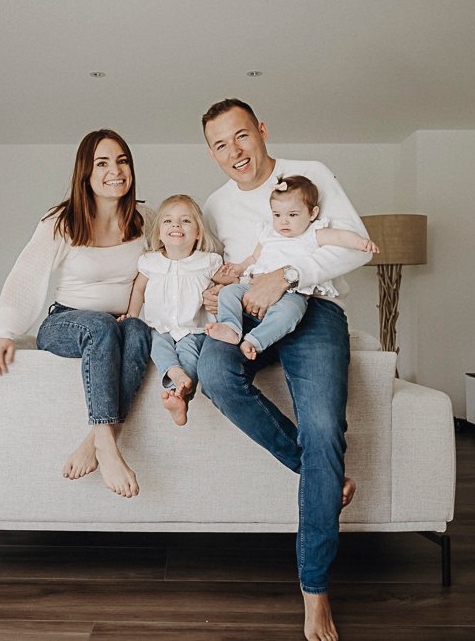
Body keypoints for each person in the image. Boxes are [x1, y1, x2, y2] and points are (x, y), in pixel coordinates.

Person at [196, 99, 372, 641]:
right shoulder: (216, 204)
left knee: (323, 428)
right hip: (251, 312)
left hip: (314, 309)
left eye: (241, 135)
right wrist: (214, 292)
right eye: (220, 144)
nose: (234, 151)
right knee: (215, 374)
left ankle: (315, 591)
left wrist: (289, 274)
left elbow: (355, 247)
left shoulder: (309, 174)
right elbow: (222, 269)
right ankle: (321, 474)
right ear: (212, 153)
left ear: (262, 131)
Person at [0, 129, 151, 499]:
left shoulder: (145, 219)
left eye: (122, 161)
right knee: (102, 326)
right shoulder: (62, 220)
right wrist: (4, 331)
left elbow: (170, 264)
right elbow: (27, 273)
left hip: (122, 323)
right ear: (85, 173)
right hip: (67, 322)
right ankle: (108, 445)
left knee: (139, 332)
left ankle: (94, 441)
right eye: (102, 163)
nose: (115, 170)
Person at [206, 174, 379, 361]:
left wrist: (360, 242)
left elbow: (339, 237)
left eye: (292, 215)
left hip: (290, 294)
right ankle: (231, 327)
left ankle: (255, 341)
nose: (284, 221)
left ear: (312, 213)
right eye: (277, 215)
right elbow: (254, 258)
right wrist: (239, 268)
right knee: (228, 293)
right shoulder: (269, 234)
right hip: (254, 288)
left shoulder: (312, 234)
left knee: (290, 313)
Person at [121, 194, 233, 426]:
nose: (176, 225)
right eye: (168, 221)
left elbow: (231, 283)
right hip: (159, 327)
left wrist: (221, 289)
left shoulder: (207, 262)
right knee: (156, 345)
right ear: (159, 233)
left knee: (189, 353)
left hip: (194, 329)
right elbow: (139, 289)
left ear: (198, 233)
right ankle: (175, 374)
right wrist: (132, 315)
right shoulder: (150, 262)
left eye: (186, 221)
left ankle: (180, 395)